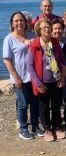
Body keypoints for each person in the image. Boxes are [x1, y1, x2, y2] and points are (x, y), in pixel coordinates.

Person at [3, 11, 41, 140]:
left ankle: (35, 126)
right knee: (23, 104)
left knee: (35, 103)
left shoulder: (32, 35)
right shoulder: (9, 38)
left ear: (25, 23)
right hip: (20, 77)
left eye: (21, 20)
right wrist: (16, 77)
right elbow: (7, 60)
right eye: (16, 21)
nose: (19, 23)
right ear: (12, 24)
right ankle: (23, 128)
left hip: (33, 77)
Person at [28, 19, 66, 142]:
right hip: (42, 83)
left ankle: (56, 127)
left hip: (56, 80)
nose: (47, 29)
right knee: (44, 107)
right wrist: (38, 83)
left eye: (48, 27)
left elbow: (63, 59)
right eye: (44, 27)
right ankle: (47, 129)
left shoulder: (54, 42)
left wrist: (62, 77)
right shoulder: (34, 45)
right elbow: (30, 66)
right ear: (39, 30)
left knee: (56, 106)